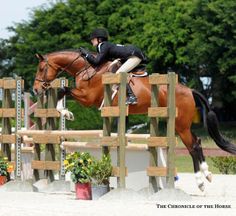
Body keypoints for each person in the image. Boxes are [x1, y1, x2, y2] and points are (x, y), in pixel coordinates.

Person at [79, 28, 146, 105]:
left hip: (134, 56)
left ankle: (132, 97)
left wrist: (87, 54)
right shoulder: (104, 46)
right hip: (129, 55)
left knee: (119, 73)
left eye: (93, 39)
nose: (91, 41)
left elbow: (96, 62)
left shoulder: (103, 46)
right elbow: (101, 61)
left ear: (99, 39)